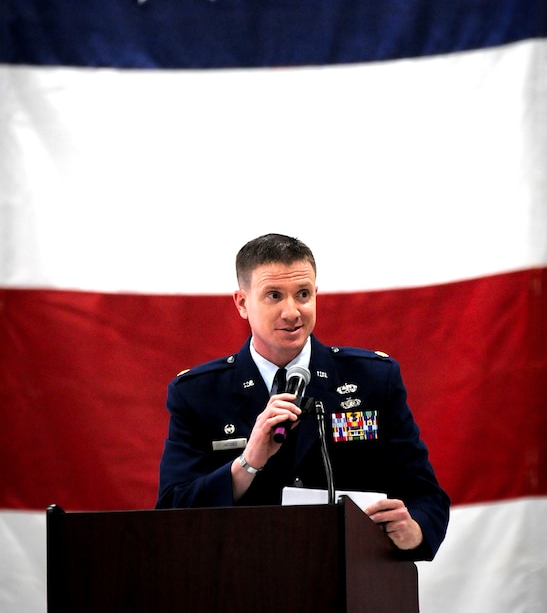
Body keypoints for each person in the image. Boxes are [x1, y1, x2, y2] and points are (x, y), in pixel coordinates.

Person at [157, 233, 449, 560]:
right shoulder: (198, 393)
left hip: (354, 580)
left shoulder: (373, 380)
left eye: (303, 294)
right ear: (242, 303)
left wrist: (414, 532)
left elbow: (426, 496)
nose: (292, 312)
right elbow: (172, 510)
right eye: (273, 296)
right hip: (241, 578)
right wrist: (247, 464)